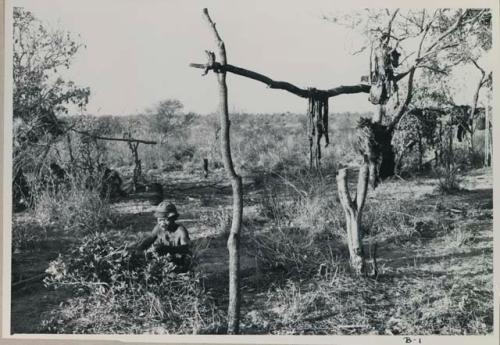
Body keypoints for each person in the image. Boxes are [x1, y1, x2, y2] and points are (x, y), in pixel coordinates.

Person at [132, 201, 192, 272]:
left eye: (165, 220)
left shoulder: (180, 231)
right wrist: (140, 248)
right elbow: (150, 239)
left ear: (173, 218)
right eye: (159, 220)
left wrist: (167, 249)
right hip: (164, 260)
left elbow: (186, 248)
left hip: (178, 262)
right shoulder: (158, 228)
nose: (162, 223)